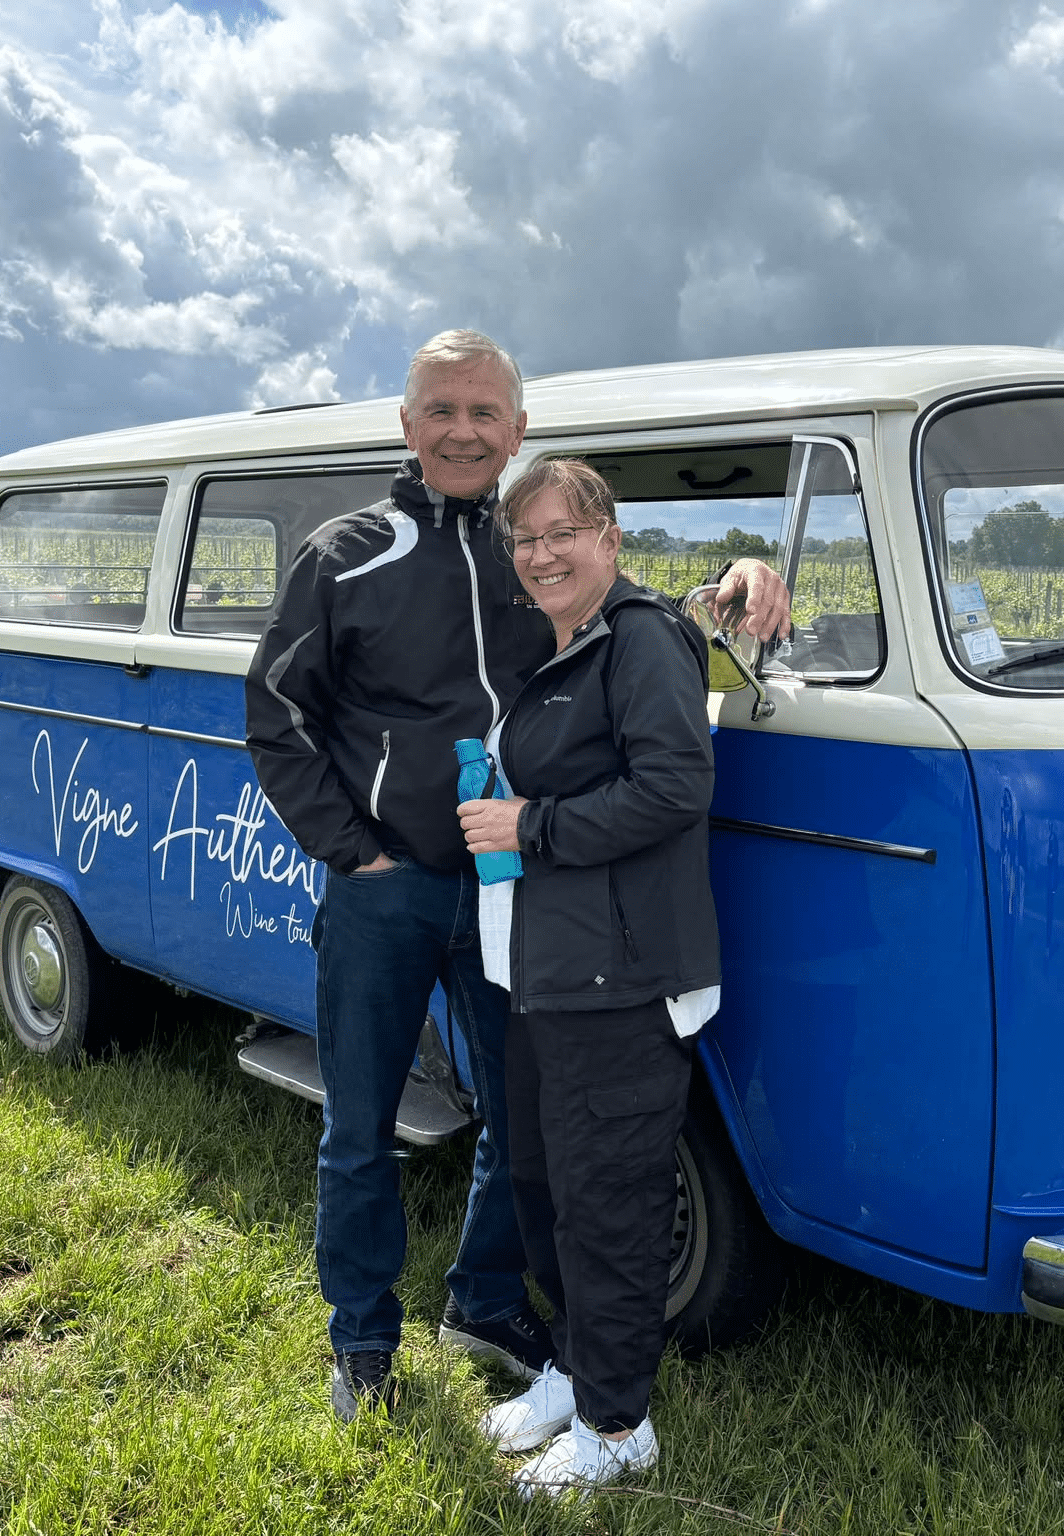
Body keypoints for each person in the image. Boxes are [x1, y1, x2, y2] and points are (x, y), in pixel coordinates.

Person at [243, 330, 788, 1422]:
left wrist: (736, 578)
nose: (461, 430)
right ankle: (360, 1340)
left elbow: (609, 610)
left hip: (517, 890)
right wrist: (354, 848)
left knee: (519, 1119)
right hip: (389, 885)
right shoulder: (345, 552)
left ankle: (485, 1301)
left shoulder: (525, 546)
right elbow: (277, 715)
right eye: (440, 410)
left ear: (516, 430)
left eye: (484, 413)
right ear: (406, 426)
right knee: (358, 1125)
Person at [457, 457, 717, 1497]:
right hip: (542, 970)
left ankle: (618, 1428)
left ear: (608, 538)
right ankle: (574, 1372)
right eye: (525, 538)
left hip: (617, 977)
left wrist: (534, 823)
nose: (542, 552)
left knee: (608, 1200)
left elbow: (673, 785)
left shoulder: (641, 637)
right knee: (546, 1186)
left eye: (563, 531)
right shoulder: (562, 644)